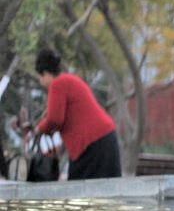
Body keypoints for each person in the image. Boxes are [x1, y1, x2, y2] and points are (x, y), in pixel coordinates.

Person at [21, 48, 120, 179]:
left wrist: (37, 130)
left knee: (81, 193)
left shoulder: (57, 84)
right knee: (105, 191)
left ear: (44, 73)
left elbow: (54, 119)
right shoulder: (69, 80)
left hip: (91, 145)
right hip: (104, 138)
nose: (40, 81)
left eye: (40, 76)